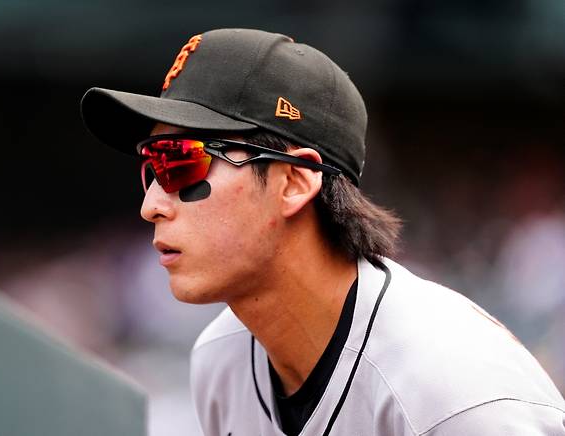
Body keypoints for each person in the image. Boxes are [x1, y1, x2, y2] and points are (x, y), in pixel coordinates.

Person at [80, 28, 565, 435]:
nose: (151, 206)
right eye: (151, 168)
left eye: (180, 163)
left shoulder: (452, 392)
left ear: (294, 181)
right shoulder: (221, 360)